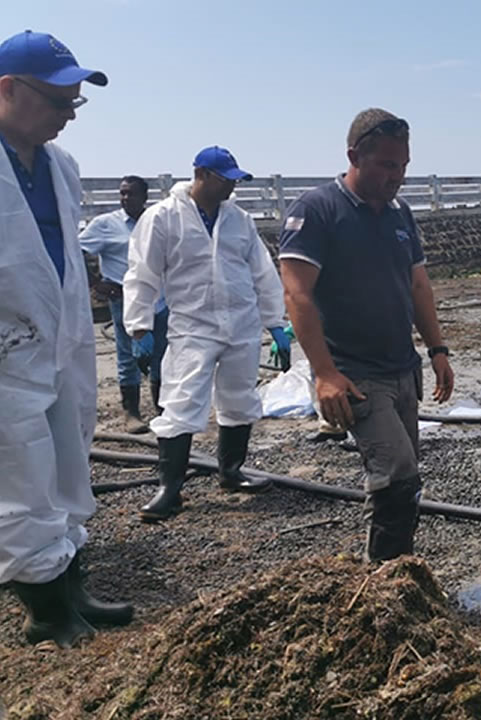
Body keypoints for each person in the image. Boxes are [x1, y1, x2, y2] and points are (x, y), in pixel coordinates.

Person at [0, 29, 133, 647]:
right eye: (59, 103)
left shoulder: (60, 165)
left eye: (75, 104)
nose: (67, 118)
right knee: (21, 477)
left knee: (68, 466)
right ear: (8, 90)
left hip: (62, 344)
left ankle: (73, 587)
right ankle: (46, 614)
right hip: (5, 358)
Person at [278, 109, 455, 562]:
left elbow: (417, 285)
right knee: (395, 475)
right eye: (386, 165)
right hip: (355, 374)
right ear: (355, 156)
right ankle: (382, 586)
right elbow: (297, 295)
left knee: (408, 477)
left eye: (403, 166)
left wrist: (437, 349)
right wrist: (324, 374)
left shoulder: (400, 214)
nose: (396, 177)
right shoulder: (318, 210)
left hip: (402, 369)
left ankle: (398, 574)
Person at [124, 146, 288, 521]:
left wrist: (275, 322)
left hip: (241, 323)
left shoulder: (238, 219)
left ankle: (230, 472)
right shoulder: (164, 218)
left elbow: (262, 271)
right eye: (226, 179)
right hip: (193, 326)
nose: (232, 186)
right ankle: (170, 489)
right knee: (181, 402)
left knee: (239, 397)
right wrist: (139, 327)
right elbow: (142, 274)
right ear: (201, 175)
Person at [79, 175, 170, 432]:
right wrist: (95, 283)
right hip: (123, 298)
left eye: (131, 193)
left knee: (161, 354)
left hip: (159, 298)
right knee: (128, 355)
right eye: (122, 193)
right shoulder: (106, 225)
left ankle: (162, 408)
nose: (125, 198)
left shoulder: (156, 221)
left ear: (145, 197)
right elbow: (76, 250)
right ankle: (131, 413)